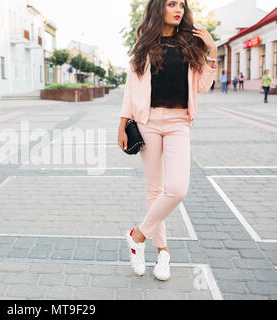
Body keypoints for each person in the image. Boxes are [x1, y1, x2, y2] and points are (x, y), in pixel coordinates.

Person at [118, 0, 217, 281]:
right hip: (147, 121)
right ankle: (162, 252)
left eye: (182, 5)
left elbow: (202, 86)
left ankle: (136, 237)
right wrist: (123, 124)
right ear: (158, 8)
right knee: (155, 189)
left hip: (178, 123)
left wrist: (212, 51)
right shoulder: (144, 44)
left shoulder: (190, 43)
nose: (179, 9)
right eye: (172, 4)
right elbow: (130, 87)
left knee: (176, 189)